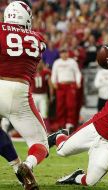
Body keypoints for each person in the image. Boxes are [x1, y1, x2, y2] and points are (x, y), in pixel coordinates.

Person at [0, 1, 49, 190]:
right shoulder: (38, 38)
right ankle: (26, 166)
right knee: (40, 144)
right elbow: (40, 49)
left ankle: (15, 166)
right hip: (19, 92)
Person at [51, 48, 82, 132]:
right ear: (60, 54)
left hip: (70, 85)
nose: (64, 55)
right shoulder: (57, 62)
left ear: (68, 53)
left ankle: (70, 124)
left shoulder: (72, 62)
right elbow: (54, 74)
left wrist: (78, 82)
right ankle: (61, 124)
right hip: (60, 86)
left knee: (71, 105)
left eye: (65, 53)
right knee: (60, 106)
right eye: (62, 53)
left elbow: (77, 72)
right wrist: (54, 82)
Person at [31, 60, 54, 133]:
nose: (39, 65)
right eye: (37, 63)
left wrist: (51, 96)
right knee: (34, 115)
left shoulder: (46, 72)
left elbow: (50, 85)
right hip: (33, 95)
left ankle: (47, 131)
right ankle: (34, 132)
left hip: (43, 95)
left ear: (43, 64)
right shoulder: (31, 72)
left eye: (40, 63)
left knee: (44, 114)